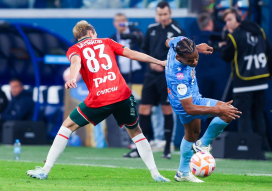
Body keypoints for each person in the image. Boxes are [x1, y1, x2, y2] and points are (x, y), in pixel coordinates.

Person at [26, 20, 170, 182]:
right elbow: (132, 54)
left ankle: (45, 170)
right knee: (136, 132)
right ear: (91, 33)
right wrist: (159, 62)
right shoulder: (106, 42)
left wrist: (73, 77)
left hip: (100, 96)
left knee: (67, 126)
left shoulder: (74, 49)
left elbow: (75, 62)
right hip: (121, 93)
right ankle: (156, 174)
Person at [165, 36, 241, 182]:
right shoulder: (178, 76)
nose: (194, 62)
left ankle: (182, 173)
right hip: (187, 103)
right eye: (190, 60)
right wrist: (218, 110)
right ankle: (203, 144)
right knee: (227, 111)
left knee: (192, 133)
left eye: (196, 57)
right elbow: (189, 108)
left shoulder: (179, 43)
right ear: (178, 57)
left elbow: (168, 41)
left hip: (189, 98)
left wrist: (196, 48)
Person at [124, 1, 185, 160]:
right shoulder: (151, 29)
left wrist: (166, 65)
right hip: (151, 76)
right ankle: (141, 148)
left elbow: (183, 55)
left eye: (165, 14)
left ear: (170, 13)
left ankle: (167, 148)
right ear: (156, 15)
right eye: (160, 14)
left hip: (167, 76)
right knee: (144, 109)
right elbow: (143, 51)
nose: (163, 17)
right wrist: (152, 62)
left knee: (166, 109)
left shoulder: (177, 31)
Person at [219, 8, 272, 149]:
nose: (227, 23)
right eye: (226, 21)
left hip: (243, 82)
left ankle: (246, 147)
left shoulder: (234, 36)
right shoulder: (259, 31)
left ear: (238, 19)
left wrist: (223, 46)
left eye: (230, 19)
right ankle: (262, 147)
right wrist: (270, 73)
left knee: (242, 116)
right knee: (258, 115)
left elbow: (226, 56)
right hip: (261, 80)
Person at [195, 12, 231, 134]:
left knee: (202, 110)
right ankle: (219, 141)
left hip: (201, 81)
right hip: (220, 79)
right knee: (221, 109)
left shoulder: (194, 41)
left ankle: (201, 140)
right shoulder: (222, 38)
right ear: (210, 23)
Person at [110, 13, 144, 84]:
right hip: (121, 75)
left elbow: (143, 47)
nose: (121, 23)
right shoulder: (112, 39)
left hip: (137, 73)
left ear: (126, 21)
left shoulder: (136, 33)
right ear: (114, 23)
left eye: (122, 20)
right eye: (118, 21)